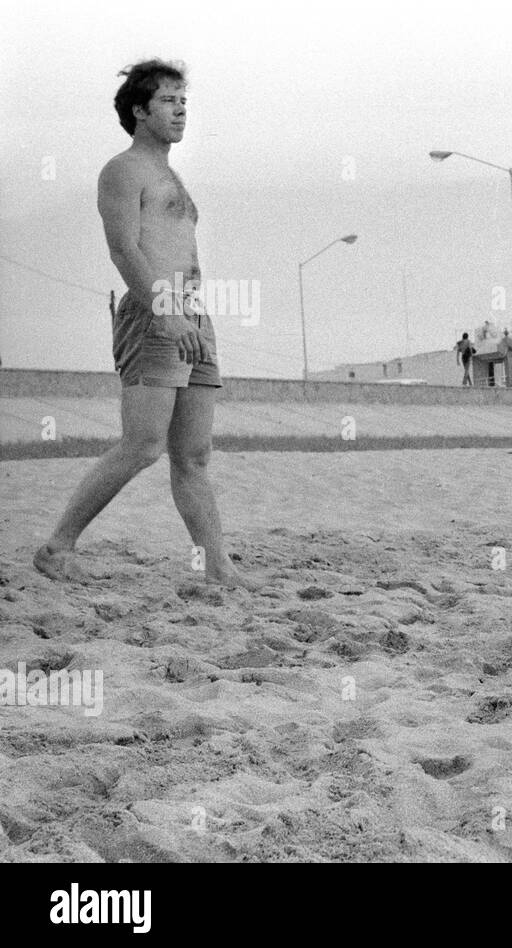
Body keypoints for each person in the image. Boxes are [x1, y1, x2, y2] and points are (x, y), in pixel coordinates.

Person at [34, 60, 248, 587]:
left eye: (184, 102)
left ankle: (218, 568)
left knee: (194, 454)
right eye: (169, 101)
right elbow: (124, 248)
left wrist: (187, 313)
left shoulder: (169, 173)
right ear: (139, 110)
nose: (180, 111)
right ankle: (57, 548)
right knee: (143, 446)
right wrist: (164, 311)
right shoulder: (123, 170)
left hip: (191, 313)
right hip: (154, 313)